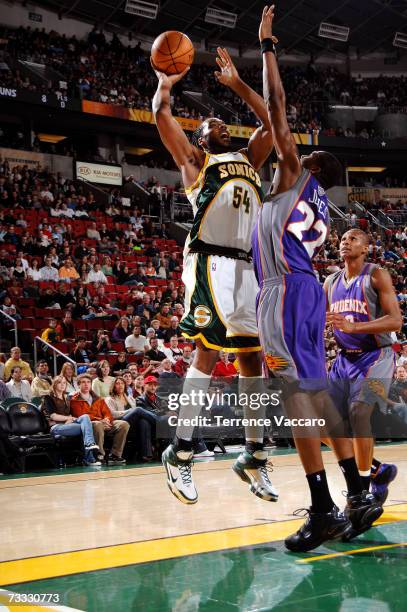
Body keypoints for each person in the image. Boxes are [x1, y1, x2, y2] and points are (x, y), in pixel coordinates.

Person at [255, 6, 381, 552]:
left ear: (309, 164)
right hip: (304, 292)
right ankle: (357, 492)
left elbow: (278, 110)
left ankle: (324, 506)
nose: (292, 151)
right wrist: (238, 85)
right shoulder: (321, 207)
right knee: (318, 395)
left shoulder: (292, 174)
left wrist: (266, 48)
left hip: (284, 291)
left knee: (294, 397)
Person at [152, 42, 276, 505]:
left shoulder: (250, 158)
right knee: (206, 354)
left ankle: (254, 455)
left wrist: (239, 84)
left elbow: (272, 123)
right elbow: (162, 116)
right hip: (209, 262)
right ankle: (180, 452)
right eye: (212, 125)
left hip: (246, 269)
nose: (220, 124)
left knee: (252, 362)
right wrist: (165, 86)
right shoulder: (196, 163)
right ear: (201, 139)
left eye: (222, 123)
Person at [325, 229, 402, 504]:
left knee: (358, 413)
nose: (346, 242)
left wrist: (354, 326)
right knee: (321, 424)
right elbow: (320, 320)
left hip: (376, 355)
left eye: (354, 239)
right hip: (344, 358)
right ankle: (377, 469)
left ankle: (362, 490)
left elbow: (395, 321)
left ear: (366, 248)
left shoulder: (376, 275)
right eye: (343, 239)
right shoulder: (330, 282)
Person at [70, 374, 129, 465]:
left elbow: (107, 413)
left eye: (88, 382)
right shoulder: (74, 400)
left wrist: (107, 420)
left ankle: (115, 455)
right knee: (97, 424)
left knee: (123, 424)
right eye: (83, 382)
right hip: (89, 424)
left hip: (104, 423)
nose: (86, 384)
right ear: (78, 385)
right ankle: (99, 455)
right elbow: (81, 416)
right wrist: (100, 420)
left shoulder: (98, 398)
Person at [41, 376, 100, 466]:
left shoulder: (67, 398)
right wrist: (68, 419)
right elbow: (53, 416)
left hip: (68, 425)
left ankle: (89, 444)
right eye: (59, 383)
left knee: (85, 417)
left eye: (64, 383)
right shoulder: (48, 397)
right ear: (54, 384)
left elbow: (71, 414)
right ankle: (89, 458)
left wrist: (71, 419)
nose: (62, 385)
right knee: (85, 427)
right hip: (55, 427)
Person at [105, 376, 153, 461]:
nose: (120, 385)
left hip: (132, 424)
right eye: (117, 383)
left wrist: (132, 411)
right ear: (113, 386)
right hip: (120, 422)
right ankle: (158, 420)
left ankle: (146, 454)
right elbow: (112, 414)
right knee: (137, 409)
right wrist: (129, 411)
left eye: (122, 383)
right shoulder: (109, 399)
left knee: (143, 421)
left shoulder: (130, 397)